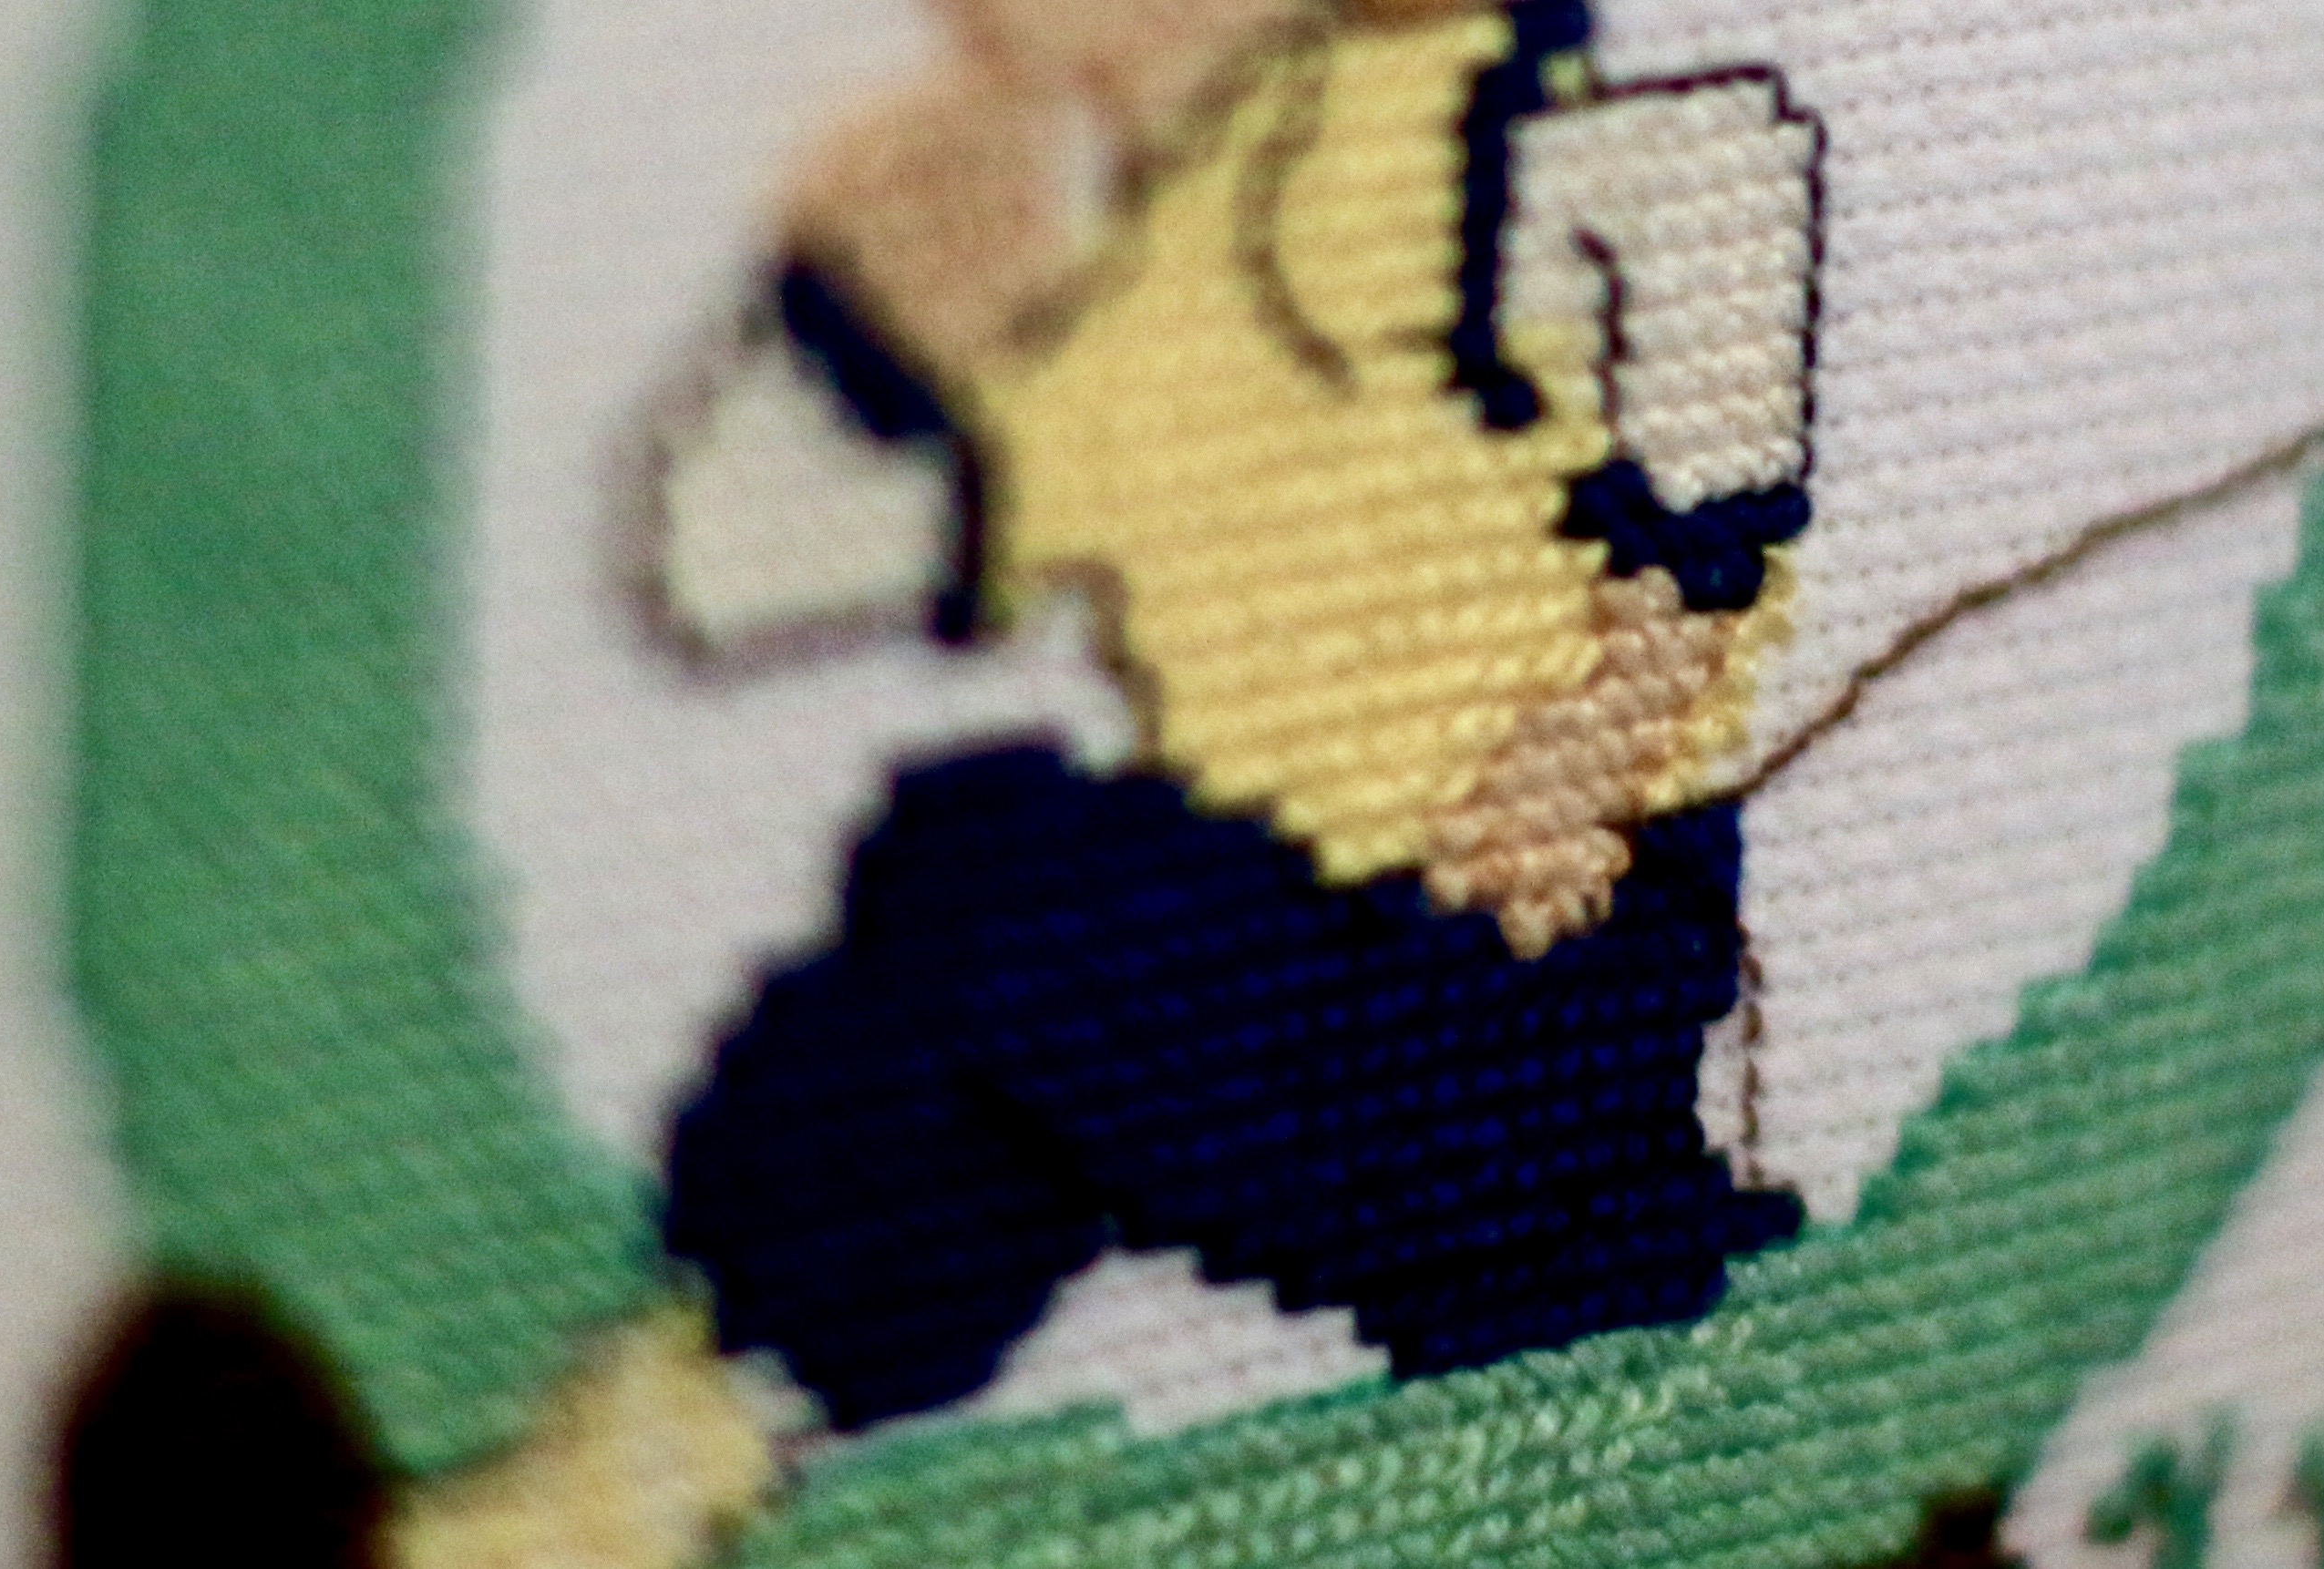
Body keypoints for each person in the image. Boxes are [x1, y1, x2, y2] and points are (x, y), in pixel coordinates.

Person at [645, 0, 1829, 1431]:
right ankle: (709, 1414)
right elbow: (739, 571)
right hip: (1306, 928)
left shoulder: (1466, 117)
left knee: (982, 900)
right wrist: (858, 331)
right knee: (960, 898)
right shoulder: (1159, 274)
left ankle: (1602, 1286)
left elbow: (1723, 251)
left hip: (1526, 952)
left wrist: (1592, 746)